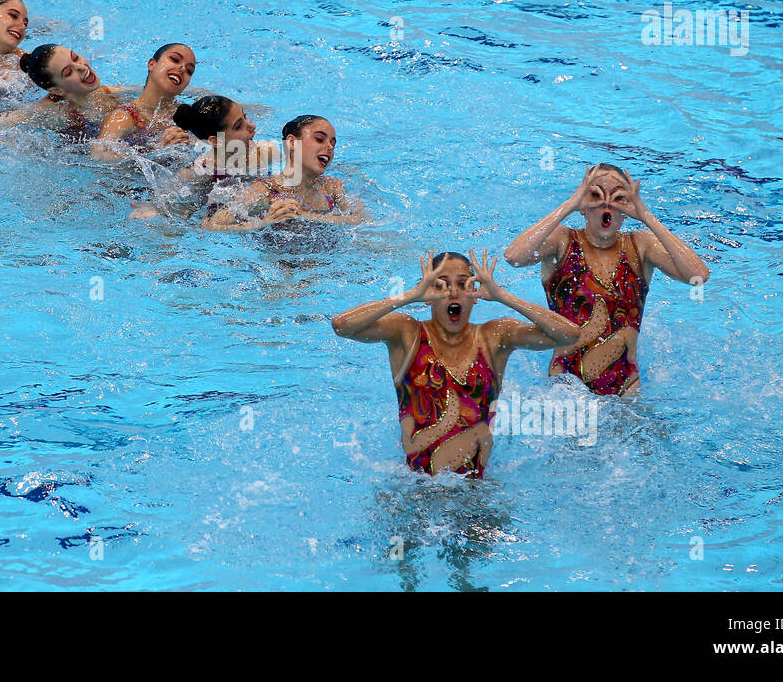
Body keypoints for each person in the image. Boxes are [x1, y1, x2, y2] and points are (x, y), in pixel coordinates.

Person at [332, 251, 580, 477]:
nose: (452, 292)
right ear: (428, 294)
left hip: (476, 493)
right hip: (415, 491)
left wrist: (503, 296)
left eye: (463, 284)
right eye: (440, 285)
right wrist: (410, 296)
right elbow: (342, 325)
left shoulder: (494, 337)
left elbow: (569, 335)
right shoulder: (407, 334)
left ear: (474, 296)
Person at [504, 164, 710, 395]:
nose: (606, 204)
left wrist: (646, 216)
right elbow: (514, 257)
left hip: (625, 392)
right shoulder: (562, 242)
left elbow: (698, 277)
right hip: (564, 389)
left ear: (627, 208)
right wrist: (570, 205)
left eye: (618, 197)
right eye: (595, 195)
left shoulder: (640, 246)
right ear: (583, 206)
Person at [129, 95, 281, 220]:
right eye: (238, 126)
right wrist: (149, 210)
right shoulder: (197, 172)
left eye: (245, 117)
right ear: (216, 141)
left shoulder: (265, 152)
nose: (252, 126)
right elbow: (165, 201)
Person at [203, 115, 363, 230]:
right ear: (292, 142)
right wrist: (266, 221)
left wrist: (306, 215)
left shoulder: (331, 187)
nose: (329, 147)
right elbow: (213, 225)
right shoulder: (265, 190)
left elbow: (363, 220)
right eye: (320, 139)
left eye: (333, 144)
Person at [90, 43, 196, 160]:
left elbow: (217, 148)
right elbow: (98, 155)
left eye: (189, 71)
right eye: (175, 60)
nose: (182, 68)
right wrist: (157, 152)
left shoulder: (191, 116)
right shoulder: (124, 117)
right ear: (152, 64)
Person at [0, 43, 124, 133]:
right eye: (68, 72)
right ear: (57, 90)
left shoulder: (109, 92)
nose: (82, 67)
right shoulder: (55, 112)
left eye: (75, 58)